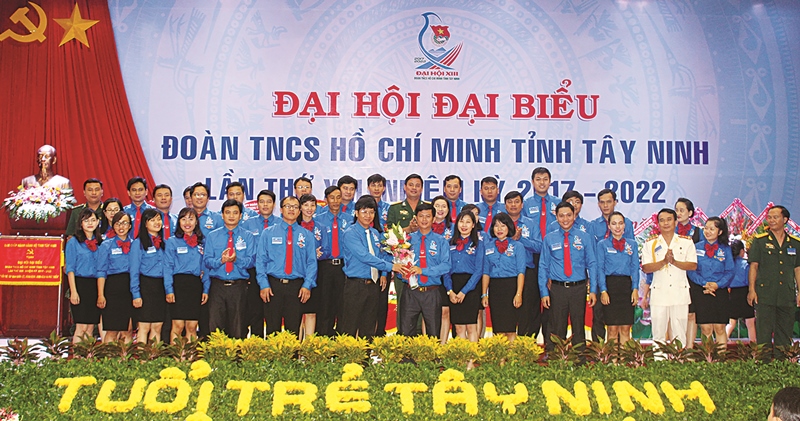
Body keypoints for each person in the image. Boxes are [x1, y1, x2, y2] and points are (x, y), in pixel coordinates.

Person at [340, 196, 403, 338]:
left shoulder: (375, 233)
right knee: (350, 326)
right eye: (364, 212)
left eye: (371, 212)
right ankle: (347, 353)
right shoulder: (350, 233)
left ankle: (366, 353)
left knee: (369, 326)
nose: (368, 216)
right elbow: (365, 256)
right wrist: (391, 266)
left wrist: (386, 270)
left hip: (373, 285)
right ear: (356, 213)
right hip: (355, 285)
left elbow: (380, 255)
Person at [539, 202, 598, 349]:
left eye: (568, 215)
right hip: (557, 289)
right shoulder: (549, 238)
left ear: (574, 216)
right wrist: (544, 292)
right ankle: (557, 358)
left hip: (579, 288)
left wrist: (593, 290)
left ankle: (579, 358)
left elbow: (592, 264)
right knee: (557, 327)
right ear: (556, 217)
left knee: (578, 326)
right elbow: (543, 266)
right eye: (561, 216)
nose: (565, 219)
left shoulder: (584, 237)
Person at [256, 196, 317, 335]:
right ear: (281, 209)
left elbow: (311, 262)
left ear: (299, 211)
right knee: (272, 330)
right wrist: (263, 284)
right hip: (273, 286)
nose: (291, 210)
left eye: (295, 207)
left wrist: (307, 285)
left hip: (297, 287)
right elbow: (260, 260)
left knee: (293, 330)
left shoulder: (307, 235)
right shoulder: (268, 233)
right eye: (288, 206)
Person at [641, 208, 698, 352]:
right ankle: (660, 361)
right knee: (658, 332)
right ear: (658, 223)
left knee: (680, 332)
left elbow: (693, 265)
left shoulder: (686, 242)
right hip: (659, 293)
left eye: (669, 219)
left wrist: (674, 262)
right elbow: (646, 268)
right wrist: (664, 262)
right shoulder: (651, 243)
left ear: (676, 221)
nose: (666, 223)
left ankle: (679, 360)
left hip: (679, 293)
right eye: (662, 220)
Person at [747, 205, 800, 356]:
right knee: (763, 331)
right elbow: (753, 267)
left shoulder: (795, 243)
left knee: (784, 332)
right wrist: (751, 290)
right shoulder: (760, 241)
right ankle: (764, 364)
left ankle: (781, 364)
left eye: (775, 217)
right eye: (769, 217)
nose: (771, 220)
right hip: (765, 293)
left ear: (785, 220)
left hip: (786, 294)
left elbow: (797, 269)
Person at [204, 200, 256, 339]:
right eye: (227, 212)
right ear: (222, 215)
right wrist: (221, 261)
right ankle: (217, 353)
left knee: (238, 328)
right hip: (217, 286)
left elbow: (251, 261)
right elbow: (207, 261)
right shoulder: (212, 236)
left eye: (235, 213)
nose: (231, 216)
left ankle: (237, 353)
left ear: (240, 215)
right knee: (216, 328)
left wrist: (236, 260)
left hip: (239, 287)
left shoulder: (248, 236)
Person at [397, 202, 451, 338]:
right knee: (406, 332)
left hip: (432, 292)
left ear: (433, 219)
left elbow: (446, 266)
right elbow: (398, 263)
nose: (424, 219)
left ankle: (433, 353)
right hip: (410, 292)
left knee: (433, 333)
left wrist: (423, 271)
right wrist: (402, 273)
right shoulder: (406, 240)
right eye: (421, 216)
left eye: (428, 216)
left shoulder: (441, 241)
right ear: (416, 218)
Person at [590, 188, 635, 342]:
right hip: (603, 280)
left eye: (609, 201)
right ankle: (600, 352)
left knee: (624, 326)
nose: (605, 205)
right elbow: (594, 258)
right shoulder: (594, 226)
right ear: (598, 204)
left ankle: (624, 355)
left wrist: (634, 286)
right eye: (602, 202)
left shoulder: (628, 225)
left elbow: (631, 256)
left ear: (615, 202)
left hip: (624, 283)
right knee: (601, 319)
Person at [387, 174, 426, 334]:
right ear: (404, 187)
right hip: (402, 264)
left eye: (417, 185)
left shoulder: (427, 207)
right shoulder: (395, 208)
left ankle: (420, 335)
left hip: (423, 263)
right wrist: (408, 229)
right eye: (411, 184)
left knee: (423, 299)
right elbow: (389, 235)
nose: (414, 188)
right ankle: (403, 334)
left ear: (422, 188)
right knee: (403, 300)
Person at [164, 208, 209, 342]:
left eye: (191, 219)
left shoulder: (202, 242)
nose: (187, 223)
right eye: (183, 219)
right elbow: (167, 267)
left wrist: (206, 289)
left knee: (192, 326)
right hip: (178, 285)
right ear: (179, 222)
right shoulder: (172, 241)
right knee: (177, 326)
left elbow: (205, 267)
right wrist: (169, 290)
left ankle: (190, 354)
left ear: (196, 222)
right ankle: (177, 354)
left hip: (195, 286)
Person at [504, 191, 544, 340]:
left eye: (516, 202)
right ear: (505, 205)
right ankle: (507, 344)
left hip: (528, 271)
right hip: (505, 272)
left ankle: (527, 344)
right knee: (507, 310)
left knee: (529, 309)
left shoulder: (530, 223)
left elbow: (539, 246)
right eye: (510, 202)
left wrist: (521, 239)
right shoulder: (500, 223)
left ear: (522, 205)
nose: (513, 205)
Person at [688, 217, 734, 346]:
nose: (707, 231)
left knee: (720, 328)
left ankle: (720, 357)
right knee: (706, 328)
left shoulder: (725, 249)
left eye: (712, 229)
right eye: (706, 228)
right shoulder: (695, 247)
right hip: (701, 291)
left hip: (720, 291)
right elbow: (691, 270)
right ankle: (707, 357)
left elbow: (730, 271)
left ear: (720, 232)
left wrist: (717, 285)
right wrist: (705, 283)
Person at [596, 211, 640, 344]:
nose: (617, 227)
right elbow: (600, 269)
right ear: (609, 226)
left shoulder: (632, 244)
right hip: (610, 286)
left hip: (626, 286)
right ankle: (612, 357)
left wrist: (635, 289)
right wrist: (603, 290)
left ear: (624, 225)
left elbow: (635, 268)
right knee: (612, 329)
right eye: (614, 223)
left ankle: (626, 357)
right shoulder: (602, 244)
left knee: (625, 329)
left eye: (620, 223)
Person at [482, 212, 525, 342]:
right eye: (496, 226)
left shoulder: (518, 246)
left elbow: (521, 272)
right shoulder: (488, 246)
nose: (499, 229)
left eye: (503, 225)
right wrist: (484, 294)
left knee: (510, 328)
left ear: (509, 227)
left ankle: (511, 354)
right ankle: (500, 355)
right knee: (498, 328)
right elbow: (486, 272)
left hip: (511, 287)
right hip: (495, 288)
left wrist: (519, 294)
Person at [241, 189, 278, 337]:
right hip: (254, 272)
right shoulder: (248, 224)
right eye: (262, 202)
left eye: (269, 202)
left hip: (274, 272)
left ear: (274, 204)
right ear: (257, 204)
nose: (265, 205)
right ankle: (256, 345)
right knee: (255, 311)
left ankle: (274, 346)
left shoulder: (281, 223)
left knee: (273, 313)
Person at [444, 210, 484, 342]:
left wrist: (464, 292)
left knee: (471, 327)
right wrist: (450, 291)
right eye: (461, 221)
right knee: (459, 327)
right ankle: (462, 355)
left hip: (471, 287)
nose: (464, 225)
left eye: (468, 222)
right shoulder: (449, 243)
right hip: (454, 285)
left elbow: (479, 271)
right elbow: (446, 269)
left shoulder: (478, 244)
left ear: (473, 225)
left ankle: (472, 356)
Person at [315, 186, 349, 337]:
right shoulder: (318, 219)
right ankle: (324, 339)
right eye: (332, 197)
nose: (335, 201)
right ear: (326, 199)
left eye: (338, 197)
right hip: (324, 267)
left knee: (343, 304)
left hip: (344, 267)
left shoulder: (350, 219)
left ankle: (341, 339)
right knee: (324, 304)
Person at [96, 211, 135, 343]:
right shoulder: (106, 245)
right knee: (112, 329)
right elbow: (101, 271)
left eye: (124, 223)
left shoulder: (136, 244)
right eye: (117, 223)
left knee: (128, 329)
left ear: (130, 226)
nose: (121, 226)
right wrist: (101, 294)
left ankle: (125, 355)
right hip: (113, 288)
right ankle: (109, 356)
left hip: (130, 287)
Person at [66, 208, 102, 343]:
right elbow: (70, 269)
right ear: (80, 224)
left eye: (93, 220)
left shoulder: (101, 242)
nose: (90, 223)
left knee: (91, 326)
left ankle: (88, 354)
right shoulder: (73, 242)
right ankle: (77, 354)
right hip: (80, 284)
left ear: (98, 222)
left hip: (95, 285)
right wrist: (74, 292)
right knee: (81, 326)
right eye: (86, 220)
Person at [130, 209, 167, 343]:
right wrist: (136, 294)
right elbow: (134, 270)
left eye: (159, 219)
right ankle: (142, 356)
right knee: (144, 327)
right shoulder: (138, 243)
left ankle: (154, 354)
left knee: (157, 326)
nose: (157, 222)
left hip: (160, 287)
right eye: (152, 220)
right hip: (145, 286)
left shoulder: (164, 243)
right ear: (145, 223)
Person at [674, 197, 703, 347]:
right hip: (674, 278)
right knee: (674, 315)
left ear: (690, 213)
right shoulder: (670, 230)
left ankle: (689, 349)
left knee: (691, 314)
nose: (678, 213)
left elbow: (702, 255)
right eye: (676, 210)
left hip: (692, 277)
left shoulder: (698, 232)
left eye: (682, 210)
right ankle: (675, 349)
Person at [298, 194, 323, 339]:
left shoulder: (320, 227)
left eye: (312, 205)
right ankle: (296, 345)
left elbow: (326, 249)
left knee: (311, 311)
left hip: (315, 273)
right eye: (306, 205)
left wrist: (318, 254)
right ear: (300, 207)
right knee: (296, 312)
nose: (309, 208)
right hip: (297, 272)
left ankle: (309, 345)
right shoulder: (294, 226)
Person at [431, 195, 454, 342]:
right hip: (429, 274)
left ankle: (443, 345)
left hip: (448, 274)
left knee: (445, 311)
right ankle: (429, 345)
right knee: (429, 312)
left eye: (444, 206)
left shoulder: (454, 228)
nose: (440, 209)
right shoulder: (425, 226)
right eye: (437, 206)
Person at [726, 239, 756, 341]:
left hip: (732, 293)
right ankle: (753, 346)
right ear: (742, 251)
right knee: (750, 322)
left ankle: (722, 343)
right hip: (745, 293)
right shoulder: (746, 264)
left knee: (731, 322)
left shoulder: (729, 264)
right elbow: (749, 280)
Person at [523, 167, 559, 237]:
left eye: (545, 179)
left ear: (550, 181)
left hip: (554, 242)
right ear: (533, 182)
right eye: (538, 179)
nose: (542, 182)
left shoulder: (559, 203)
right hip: (532, 243)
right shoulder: (525, 204)